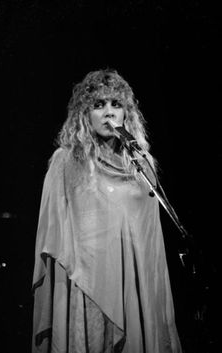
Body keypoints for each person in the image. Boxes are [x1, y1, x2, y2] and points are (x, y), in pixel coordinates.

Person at [32, 69, 182, 353]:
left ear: (127, 113)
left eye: (116, 104)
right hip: (87, 287)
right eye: (98, 105)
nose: (108, 113)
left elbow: (151, 245)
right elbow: (53, 235)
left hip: (134, 290)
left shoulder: (141, 164)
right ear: (83, 114)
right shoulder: (66, 162)